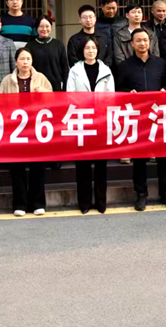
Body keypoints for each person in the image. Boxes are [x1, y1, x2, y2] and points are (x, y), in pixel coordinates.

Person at [115, 28, 166, 211]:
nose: (142, 43)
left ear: (150, 42)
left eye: (145, 40)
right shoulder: (124, 66)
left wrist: (165, 90)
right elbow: (118, 89)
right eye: (138, 41)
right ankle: (141, 194)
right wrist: (128, 93)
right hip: (138, 117)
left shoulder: (161, 64)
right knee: (139, 159)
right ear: (132, 44)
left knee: (164, 157)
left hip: (159, 116)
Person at [0, 48, 53, 216]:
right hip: (16, 130)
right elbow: (0, 103)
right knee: (17, 167)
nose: (25, 62)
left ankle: (37, 203)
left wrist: (43, 93)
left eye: (28, 58)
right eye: (22, 59)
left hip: (37, 128)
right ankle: (20, 204)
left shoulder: (41, 78)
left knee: (38, 167)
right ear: (16, 62)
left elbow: (53, 100)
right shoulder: (7, 81)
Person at [67, 36, 115, 214]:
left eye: (93, 48)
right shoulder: (75, 70)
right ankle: (84, 202)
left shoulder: (106, 70)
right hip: (82, 119)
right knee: (83, 164)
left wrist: (101, 110)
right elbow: (70, 94)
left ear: (97, 50)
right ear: (82, 51)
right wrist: (84, 108)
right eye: (87, 48)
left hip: (101, 120)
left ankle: (101, 202)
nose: (90, 51)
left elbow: (110, 95)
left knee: (101, 164)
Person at [24, 16, 69, 92]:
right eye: (41, 26)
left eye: (47, 26)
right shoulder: (30, 46)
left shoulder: (58, 44)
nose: (44, 29)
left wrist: (65, 86)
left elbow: (65, 67)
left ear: (51, 27)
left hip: (57, 86)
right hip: (37, 86)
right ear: (36, 28)